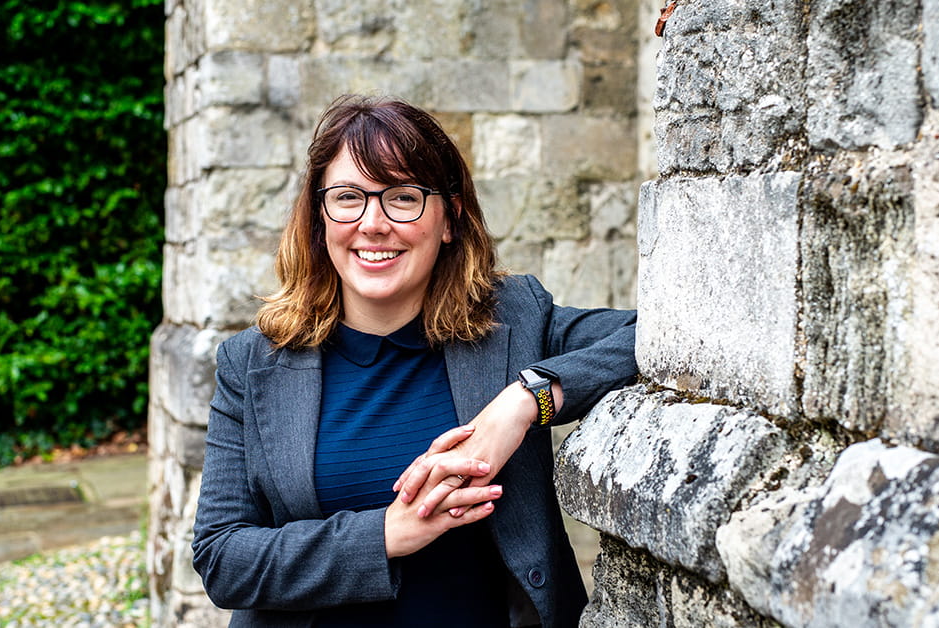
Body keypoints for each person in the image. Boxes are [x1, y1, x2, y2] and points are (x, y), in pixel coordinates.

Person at [191, 94, 637, 627]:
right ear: (319, 217)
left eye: (402, 197)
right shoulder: (252, 363)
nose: (373, 223)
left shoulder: (513, 322)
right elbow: (222, 557)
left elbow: (655, 331)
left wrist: (525, 401)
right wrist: (383, 535)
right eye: (349, 197)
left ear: (449, 218)